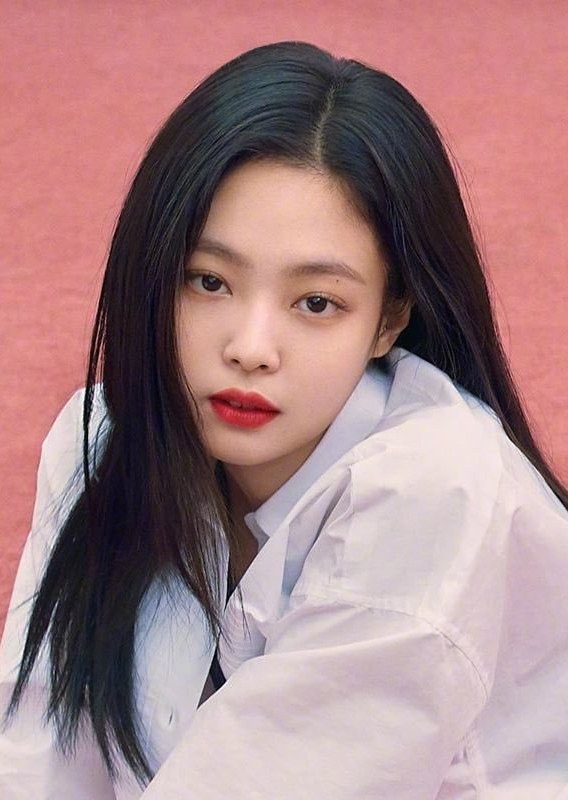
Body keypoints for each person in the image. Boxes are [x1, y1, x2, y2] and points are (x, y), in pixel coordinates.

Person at [1, 39, 567, 800]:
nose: (251, 348)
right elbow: (38, 760)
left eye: (316, 303)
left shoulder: (433, 488)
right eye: (209, 281)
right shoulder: (101, 446)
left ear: (388, 319)